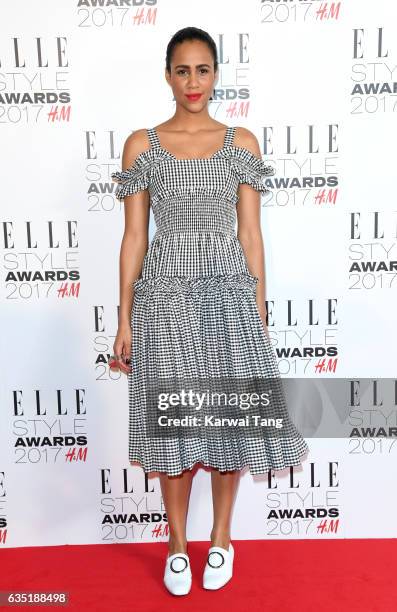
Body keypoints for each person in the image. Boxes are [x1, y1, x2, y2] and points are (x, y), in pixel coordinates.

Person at [109, 26, 308, 596]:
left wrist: (259, 309)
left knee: (226, 428)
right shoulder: (141, 146)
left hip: (228, 301)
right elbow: (132, 238)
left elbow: (251, 234)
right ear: (167, 75)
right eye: (182, 70)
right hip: (164, 301)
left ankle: (221, 538)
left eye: (202, 70)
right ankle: (177, 543)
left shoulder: (241, 142)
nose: (192, 82)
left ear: (216, 74)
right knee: (173, 429)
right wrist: (124, 319)